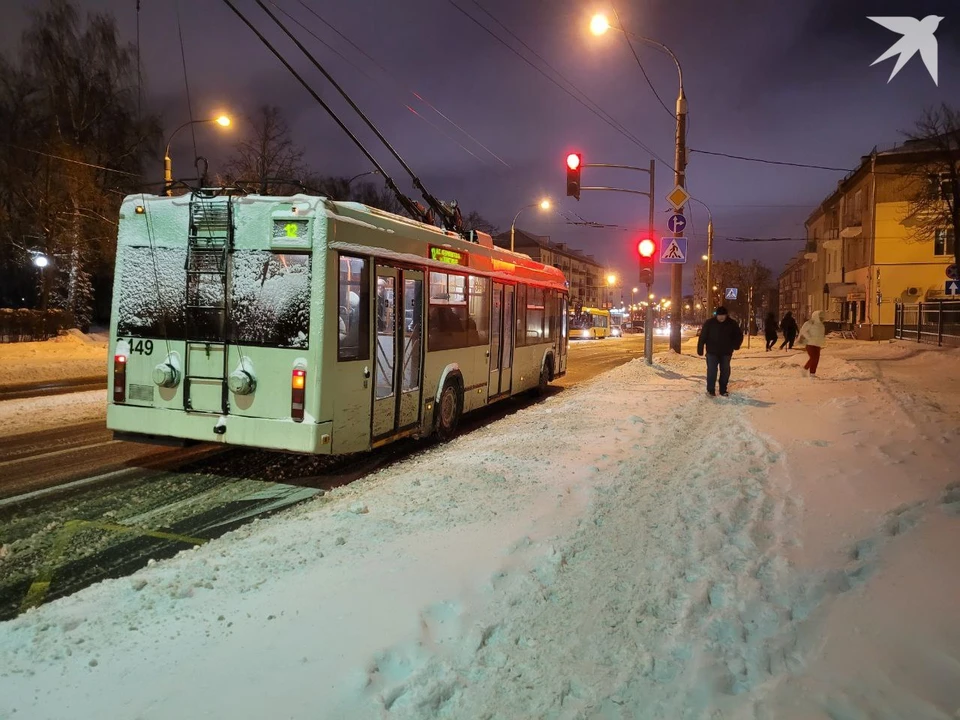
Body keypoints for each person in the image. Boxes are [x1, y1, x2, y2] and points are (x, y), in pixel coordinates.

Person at [697, 306, 744, 397]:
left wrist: (736, 345)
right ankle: (711, 390)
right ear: (716, 315)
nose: (721, 317)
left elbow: (739, 336)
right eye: (719, 315)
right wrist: (700, 348)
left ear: (726, 315)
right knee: (712, 371)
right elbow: (703, 336)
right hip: (712, 352)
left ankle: (723, 389)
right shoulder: (709, 323)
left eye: (723, 315)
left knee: (725, 371)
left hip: (726, 352)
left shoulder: (732, 324)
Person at [798, 310, 826, 376]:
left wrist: (822, 341)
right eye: (820, 317)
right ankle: (804, 370)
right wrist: (809, 338)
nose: (821, 318)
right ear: (816, 316)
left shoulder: (821, 325)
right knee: (813, 358)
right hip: (810, 344)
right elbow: (803, 331)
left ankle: (812, 373)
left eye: (822, 317)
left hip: (817, 344)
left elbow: (821, 334)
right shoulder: (810, 323)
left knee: (816, 359)